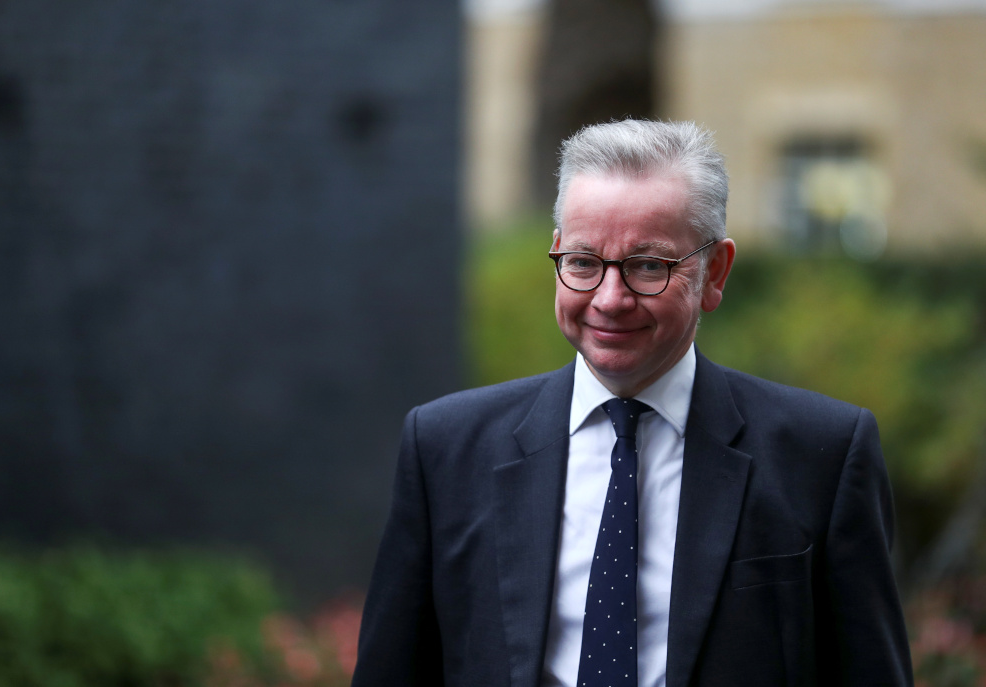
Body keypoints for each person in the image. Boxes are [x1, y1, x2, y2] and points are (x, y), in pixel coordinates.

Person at [351, 120, 913, 687]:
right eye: (583, 261)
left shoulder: (823, 454)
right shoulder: (445, 448)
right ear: (556, 256)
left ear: (713, 273)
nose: (610, 299)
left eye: (649, 266)